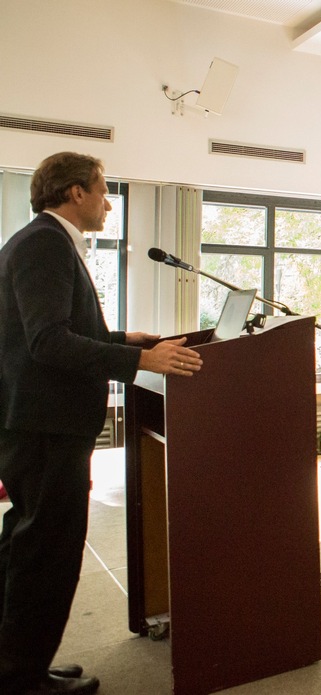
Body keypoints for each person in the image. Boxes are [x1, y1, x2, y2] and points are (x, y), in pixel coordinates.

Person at [0, 152, 204, 695]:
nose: (109, 202)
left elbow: (56, 334)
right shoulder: (45, 243)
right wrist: (140, 361)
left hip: (38, 424)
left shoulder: (40, 240)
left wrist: (123, 341)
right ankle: (22, 678)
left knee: (27, 544)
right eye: (103, 190)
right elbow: (47, 342)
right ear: (74, 193)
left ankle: (17, 664)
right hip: (47, 426)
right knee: (47, 552)